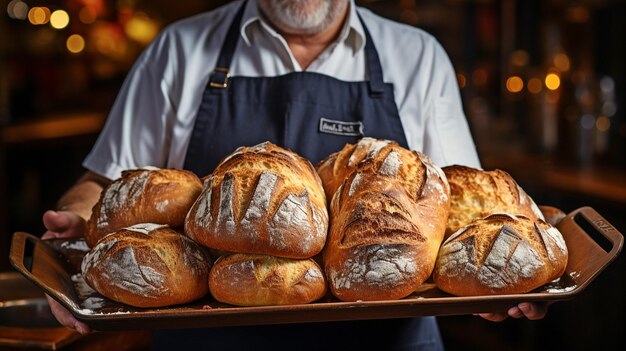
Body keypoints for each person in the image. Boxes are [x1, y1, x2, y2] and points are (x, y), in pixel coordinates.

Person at [41, 0, 549, 349]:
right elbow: (102, 186)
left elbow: (466, 213)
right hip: (208, 340)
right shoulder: (180, 49)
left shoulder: (416, 56)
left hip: (389, 340)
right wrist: (75, 220)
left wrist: (499, 286)